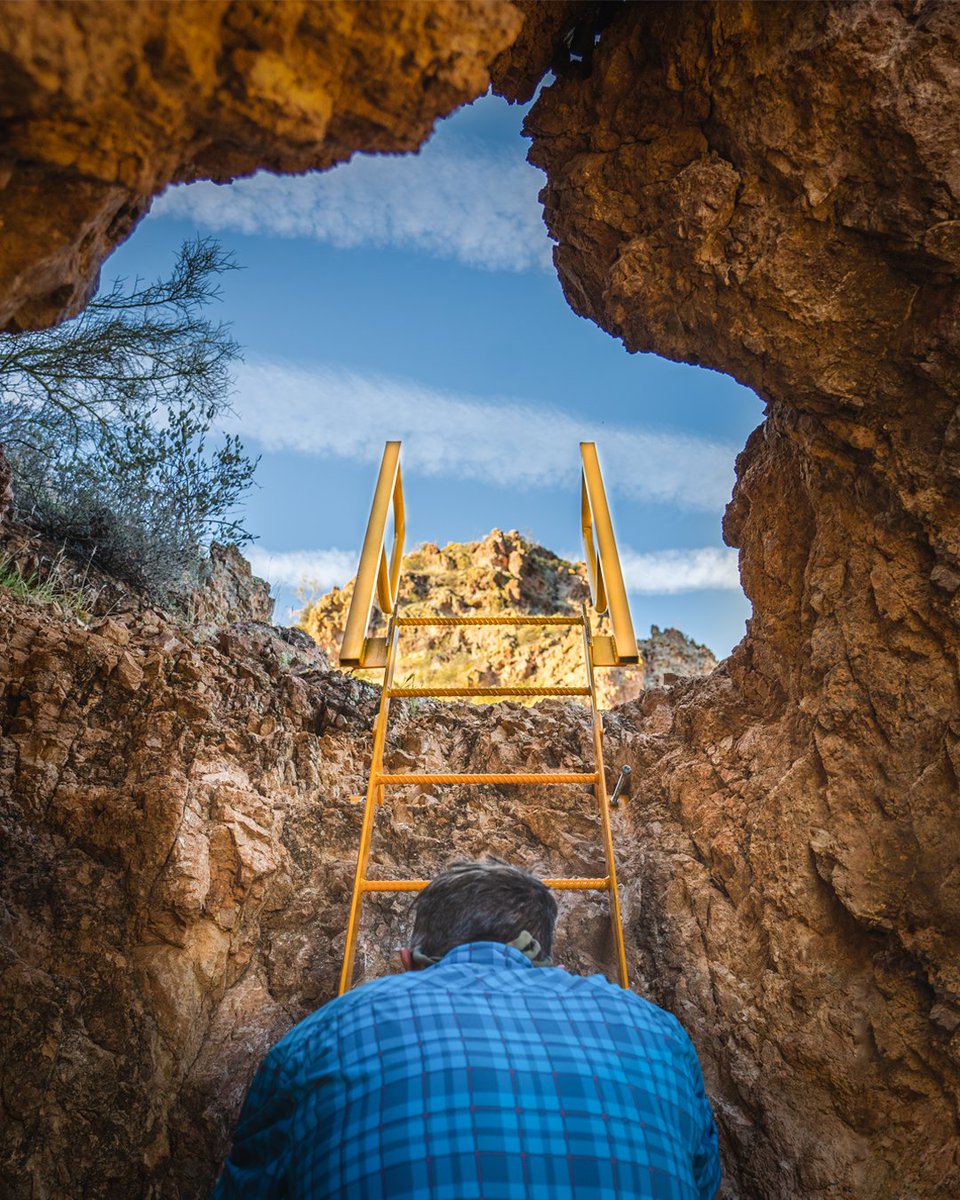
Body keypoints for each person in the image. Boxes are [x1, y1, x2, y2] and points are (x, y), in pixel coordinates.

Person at [213, 859, 721, 1199]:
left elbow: (248, 1185)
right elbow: (703, 1179)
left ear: (409, 961)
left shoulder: (325, 1035)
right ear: (550, 961)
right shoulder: (661, 1036)